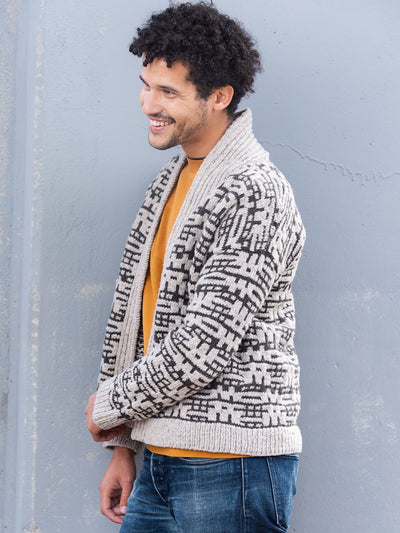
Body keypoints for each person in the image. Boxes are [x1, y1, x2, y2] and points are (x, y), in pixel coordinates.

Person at [85, 2, 306, 532]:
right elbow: (134, 320)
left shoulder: (256, 192)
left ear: (219, 96)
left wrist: (108, 405)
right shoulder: (170, 180)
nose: (148, 104)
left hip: (232, 464)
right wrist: (124, 444)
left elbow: (203, 344)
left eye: (168, 92)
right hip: (160, 460)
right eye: (145, 86)